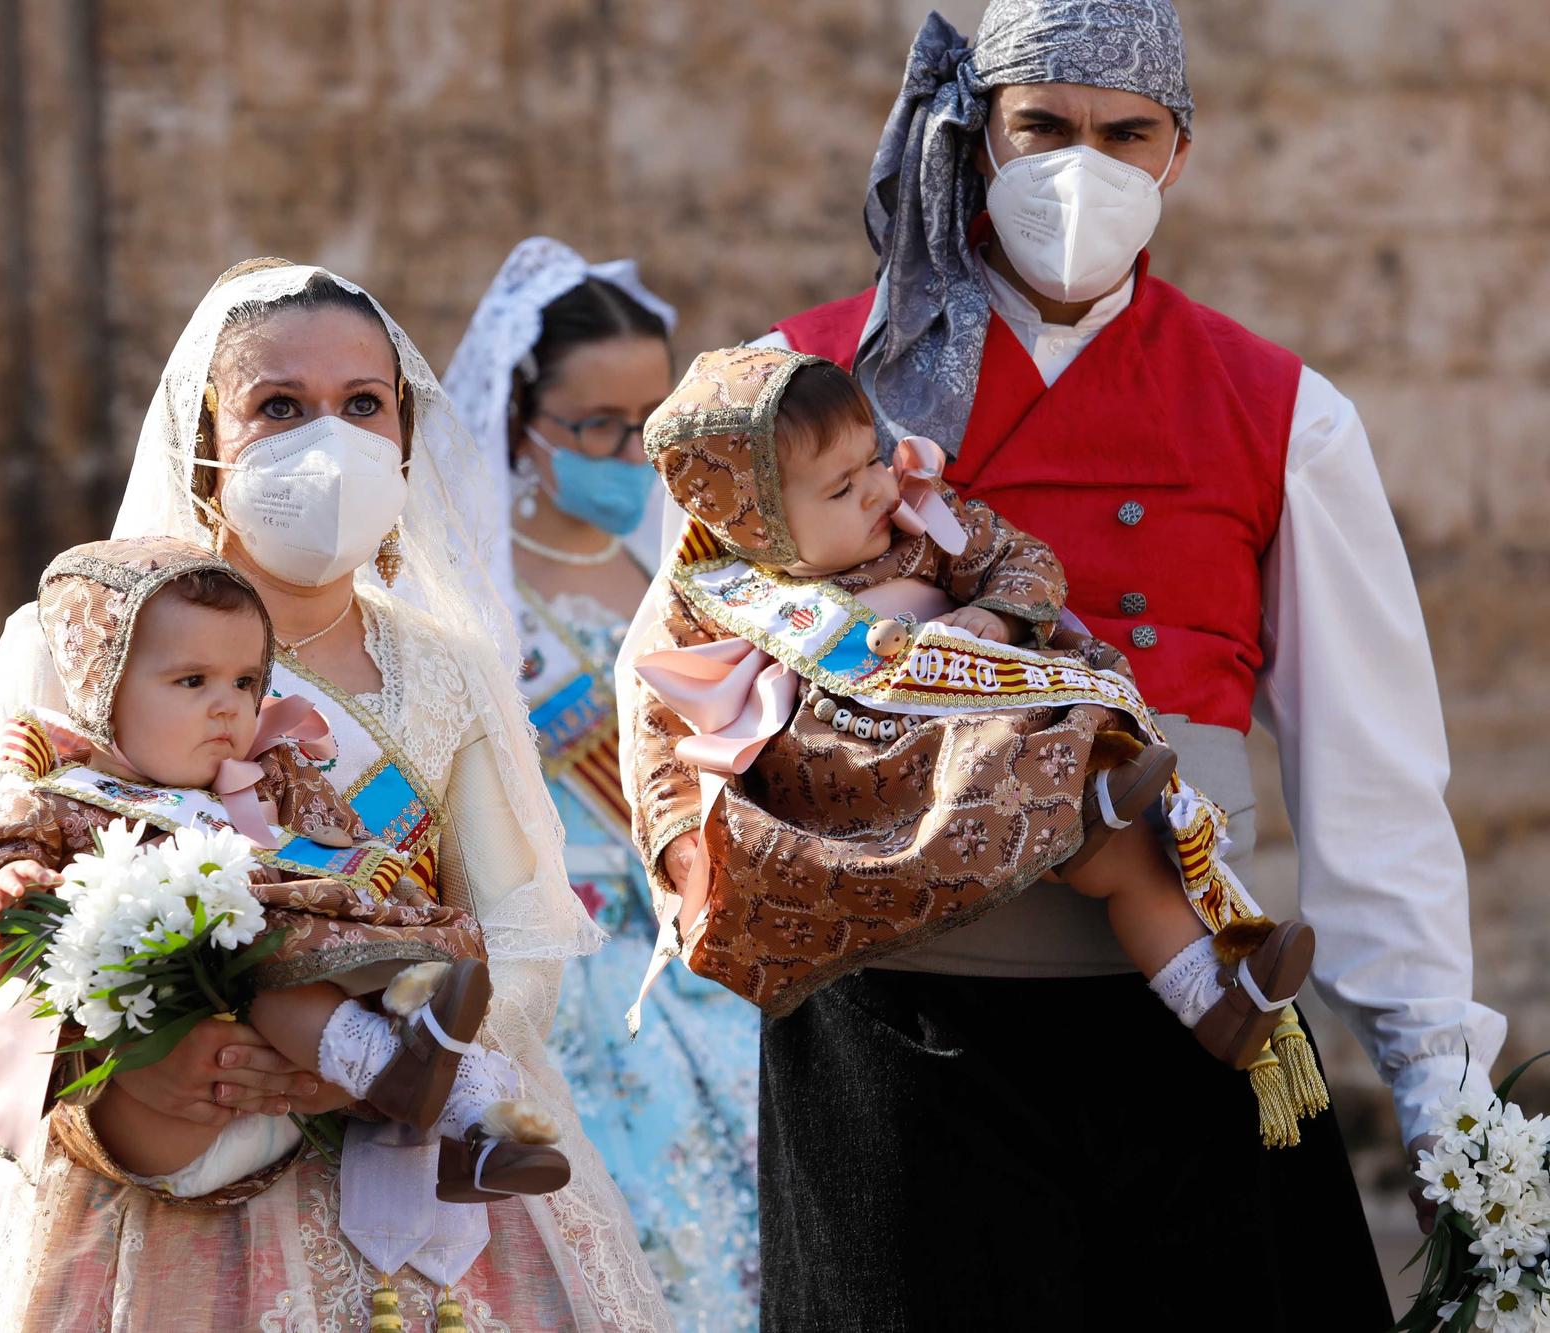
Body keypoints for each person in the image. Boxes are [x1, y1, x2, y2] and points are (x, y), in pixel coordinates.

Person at [619, 2, 1507, 1326]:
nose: (1077, 166)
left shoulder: (1283, 411)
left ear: (1178, 156)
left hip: (1192, 1032)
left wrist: (1450, 1121)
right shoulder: (793, 386)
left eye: (1123, 132)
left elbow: (1373, 795)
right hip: (896, 1044)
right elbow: (672, 686)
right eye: (1042, 128)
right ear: (978, 137)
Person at [0, 261, 670, 1330]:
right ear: (205, 437)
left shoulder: (448, 667)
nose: (326, 439)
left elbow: (521, 935)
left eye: (360, 406)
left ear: (403, 434)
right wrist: (146, 1066)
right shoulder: (81, 641)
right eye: (279, 407)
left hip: (411, 1165)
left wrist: (373, 1061)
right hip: (155, 1173)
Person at [628, 345, 1320, 1098]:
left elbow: (1025, 560)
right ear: (757, 522)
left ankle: (1217, 1001)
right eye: (840, 486)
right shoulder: (709, 595)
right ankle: (1083, 782)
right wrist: (678, 844)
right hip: (857, 770)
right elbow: (656, 731)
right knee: (998, 741)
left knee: (1128, 856)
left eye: (874, 460)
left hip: (982, 717)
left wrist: (995, 612)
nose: (874, 491)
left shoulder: (920, 516)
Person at [0, 535, 566, 1199]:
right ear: (106, 687)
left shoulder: (269, 772)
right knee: (276, 980)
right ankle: (395, 1070)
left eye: (246, 682)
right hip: (165, 1048)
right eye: (192, 681)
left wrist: (389, 901)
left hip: (296, 1004)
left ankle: (479, 1131)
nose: (228, 705)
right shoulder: (61, 791)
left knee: (360, 978)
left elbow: (343, 841)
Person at [443, 235, 761, 1323]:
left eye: (649, 422)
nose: (630, 452)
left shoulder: (690, 558)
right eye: (596, 427)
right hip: (557, 975)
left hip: (704, 952)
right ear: (521, 421)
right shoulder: (460, 587)